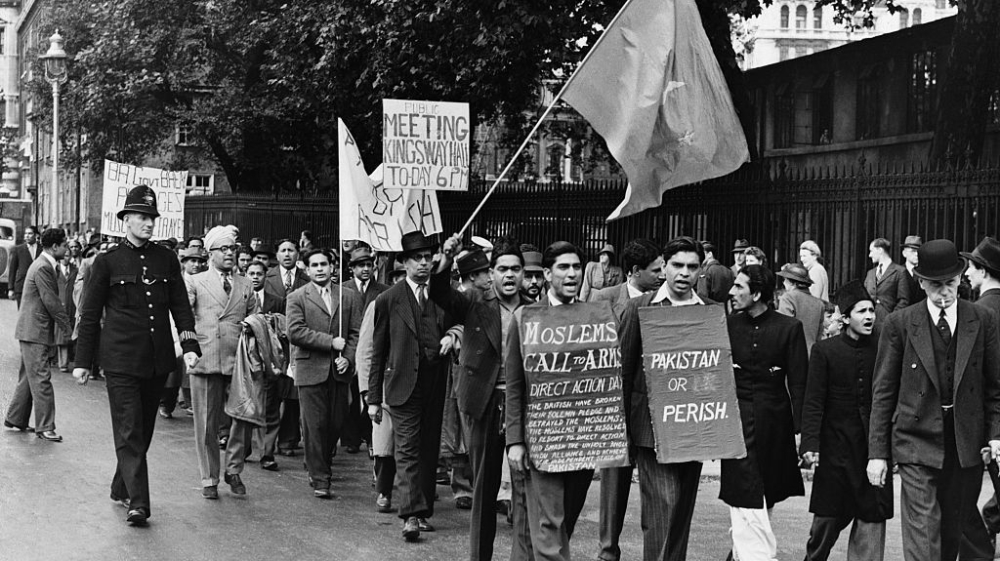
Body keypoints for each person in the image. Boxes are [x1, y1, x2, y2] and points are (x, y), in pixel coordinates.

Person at [74, 185, 201, 526]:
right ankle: (139, 503)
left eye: (152, 218)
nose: (149, 224)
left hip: (157, 359)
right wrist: (83, 362)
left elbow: (180, 307)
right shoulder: (107, 262)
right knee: (130, 429)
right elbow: (89, 313)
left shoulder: (166, 259)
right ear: (126, 219)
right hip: (120, 361)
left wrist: (189, 346)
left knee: (143, 430)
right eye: (142, 217)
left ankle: (120, 485)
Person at [867, 239, 1000, 561]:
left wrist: (996, 435)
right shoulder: (900, 323)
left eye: (951, 283)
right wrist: (877, 454)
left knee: (951, 533)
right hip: (915, 441)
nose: (945, 293)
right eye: (936, 285)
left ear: (961, 277)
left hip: (964, 443)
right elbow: (883, 391)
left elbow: (995, 388)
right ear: (921, 282)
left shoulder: (982, 320)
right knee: (923, 534)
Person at [429, 235, 535, 561]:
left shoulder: (537, 310)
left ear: (523, 273)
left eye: (515, 269)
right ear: (491, 273)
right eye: (501, 268)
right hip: (484, 403)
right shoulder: (475, 301)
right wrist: (444, 259)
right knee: (484, 490)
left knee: (525, 490)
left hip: (525, 406)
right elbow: (439, 293)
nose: (508, 275)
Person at [617, 236, 713, 561]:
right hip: (650, 430)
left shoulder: (711, 312)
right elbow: (624, 371)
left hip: (694, 428)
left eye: (692, 266)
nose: (684, 273)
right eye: (677, 265)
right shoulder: (640, 306)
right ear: (665, 267)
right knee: (662, 506)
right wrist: (624, 431)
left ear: (701, 270)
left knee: (682, 511)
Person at [506, 241, 594, 561]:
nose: (571, 274)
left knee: (563, 521)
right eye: (563, 267)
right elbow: (515, 385)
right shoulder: (526, 317)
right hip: (541, 437)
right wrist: (515, 440)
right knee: (549, 523)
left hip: (584, 440)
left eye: (576, 267)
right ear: (547, 274)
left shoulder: (595, 316)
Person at [368, 231, 455, 541]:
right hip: (402, 384)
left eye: (427, 257)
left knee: (428, 448)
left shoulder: (439, 294)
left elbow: (456, 314)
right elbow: (378, 350)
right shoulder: (388, 300)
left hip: (434, 384)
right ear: (403, 263)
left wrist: (452, 335)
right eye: (416, 258)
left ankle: (422, 508)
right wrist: (373, 397)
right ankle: (410, 515)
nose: (423, 263)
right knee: (406, 449)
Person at [799, 281, 892, 561]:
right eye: (861, 311)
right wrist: (810, 444)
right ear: (845, 316)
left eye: (871, 310)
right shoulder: (825, 351)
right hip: (835, 451)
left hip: (871, 452)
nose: (869, 316)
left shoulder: (883, 350)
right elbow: (813, 401)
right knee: (824, 526)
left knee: (871, 523)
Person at [723, 264, 808, 561]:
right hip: (736, 425)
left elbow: (799, 384)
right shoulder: (729, 325)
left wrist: (802, 433)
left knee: (762, 495)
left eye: (739, 287)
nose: (732, 292)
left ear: (757, 293)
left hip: (774, 426)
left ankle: (744, 554)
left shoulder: (789, 328)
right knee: (744, 491)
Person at [591, 237, 665, 561]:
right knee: (613, 484)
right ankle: (608, 551)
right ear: (635, 272)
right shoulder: (605, 298)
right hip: (615, 403)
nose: (663, 275)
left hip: (650, 409)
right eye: (656, 270)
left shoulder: (664, 302)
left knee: (656, 491)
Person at [186, 225, 260, 499]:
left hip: (238, 361)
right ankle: (209, 478)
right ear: (210, 253)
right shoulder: (195, 281)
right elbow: (183, 318)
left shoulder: (245, 284)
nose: (230, 254)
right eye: (223, 249)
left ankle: (233, 469)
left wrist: (252, 331)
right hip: (206, 359)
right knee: (205, 423)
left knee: (243, 416)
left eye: (233, 249)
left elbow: (257, 317)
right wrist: (187, 349)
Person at [287, 248, 363, 498]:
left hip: (339, 372)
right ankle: (320, 477)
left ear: (333, 268)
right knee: (314, 424)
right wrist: (330, 342)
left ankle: (319, 460)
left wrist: (349, 358)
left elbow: (355, 333)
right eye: (314, 265)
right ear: (307, 269)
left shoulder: (349, 296)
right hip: (310, 369)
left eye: (324, 264)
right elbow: (295, 332)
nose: (320, 269)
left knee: (336, 422)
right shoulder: (297, 297)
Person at [4, 228, 71, 441]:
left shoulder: (44, 265)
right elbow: (51, 300)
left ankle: (15, 418)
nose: (68, 249)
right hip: (35, 331)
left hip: (31, 330)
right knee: (41, 378)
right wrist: (68, 328)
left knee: (29, 377)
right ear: (54, 247)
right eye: (65, 245)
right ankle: (46, 427)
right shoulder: (43, 267)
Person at [341, 245, 389, 454]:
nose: (366, 269)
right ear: (352, 268)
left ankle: (371, 439)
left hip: (373, 349)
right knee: (350, 396)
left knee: (371, 395)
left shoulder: (384, 291)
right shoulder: (343, 289)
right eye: (361, 265)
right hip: (350, 349)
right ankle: (351, 439)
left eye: (369, 264)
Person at [264, 238, 310, 456]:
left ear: (298, 253)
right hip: (273, 341)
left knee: (293, 391)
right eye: (283, 250)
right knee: (272, 391)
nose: (287, 254)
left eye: (291, 250)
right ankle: (267, 441)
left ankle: (288, 439)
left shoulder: (306, 279)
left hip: (296, 342)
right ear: (277, 255)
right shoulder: (267, 277)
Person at [246, 261, 287, 471]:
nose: (255, 277)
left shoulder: (277, 301)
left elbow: (284, 331)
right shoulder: (239, 299)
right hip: (246, 361)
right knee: (247, 405)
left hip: (270, 363)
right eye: (251, 273)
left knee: (271, 407)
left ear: (265, 277)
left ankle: (267, 453)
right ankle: (244, 446)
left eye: (259, 273)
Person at [776, 263, 826, 356]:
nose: (783, 283)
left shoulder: (787, 298)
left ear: (792, 283)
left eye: (785, 280)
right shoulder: (819, 304)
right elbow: (820, 335)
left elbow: (784, 330)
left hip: (792, 355)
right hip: (813, 355)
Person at [865, 238, 911, 329]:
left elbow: (904, 300)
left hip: (888, 326)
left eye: (871, 251)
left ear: (880, 250)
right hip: (869, 324)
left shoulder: (899, 272)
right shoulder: (870, 273)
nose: (870, 255)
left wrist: (891, 319)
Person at [55, 244, 80, 373]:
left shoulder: (75, 270)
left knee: (71, 333)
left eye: (68, 255)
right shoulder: (55, 269)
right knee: (60, 335)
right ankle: (62, 362)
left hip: (71, 305)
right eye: (64, 255)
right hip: (58, 305)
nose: (66, 258)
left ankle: (72, 361)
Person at [8, 225, 40, 306]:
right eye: (26, 234)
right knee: (23, 315)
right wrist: (10, 289)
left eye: (30, 233)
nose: (27, 236)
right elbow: (12, 270)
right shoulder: (18, 249)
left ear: (36, 235)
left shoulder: (42, 249)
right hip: (21, 287)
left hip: (39, 288)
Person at [901, 235, 925, 304]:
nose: (916, 254)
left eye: (919, 251)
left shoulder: (926, 272)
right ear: (904, 253)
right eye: (913, 251)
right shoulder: (898, 272)